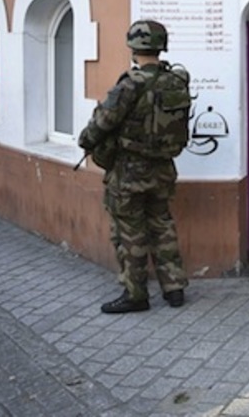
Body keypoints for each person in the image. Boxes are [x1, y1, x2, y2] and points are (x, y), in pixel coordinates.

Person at [78, 20, 191, 314]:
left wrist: (86, 140)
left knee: (130, 232)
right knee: (162, 225)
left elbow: (100, 125)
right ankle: (174, 289)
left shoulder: (130, 84)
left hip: (129, 172)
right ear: (160, 46)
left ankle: (136, 294)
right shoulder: (177, 81)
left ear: (133, 47)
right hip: (164, 168)